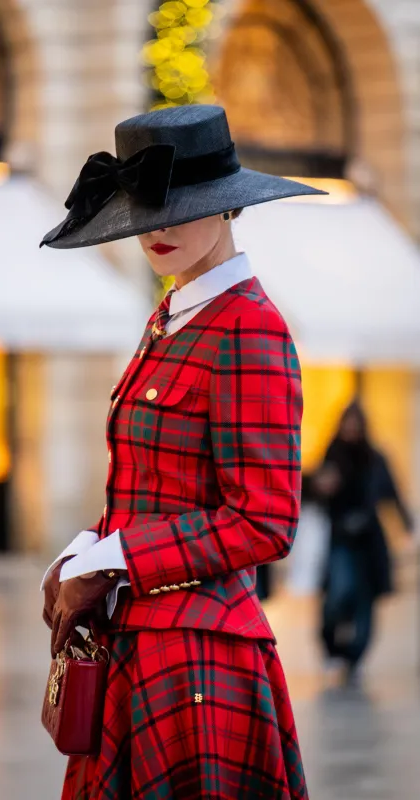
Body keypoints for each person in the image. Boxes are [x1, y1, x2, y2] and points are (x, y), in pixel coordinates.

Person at [39, 105, 323, 799]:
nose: (156, 228)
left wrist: (122, 556)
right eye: (144, 207)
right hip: (138, 642)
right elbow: (154, 483)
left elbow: (264, 521)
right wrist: (93, 541)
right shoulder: (172, 312)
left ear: (228, 209)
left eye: (180, 206)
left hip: (202, 657)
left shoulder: (248, 327)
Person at [312, 401, 414, 685]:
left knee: (364, 602)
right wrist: (322, 488)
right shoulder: (332, 455)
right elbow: (314, 492)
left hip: (370, 542)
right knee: (339, 595)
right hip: (341, 539)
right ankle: (333, 647)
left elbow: (391, 492)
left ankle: (355, 657)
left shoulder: (375, 458)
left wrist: (406, 524)